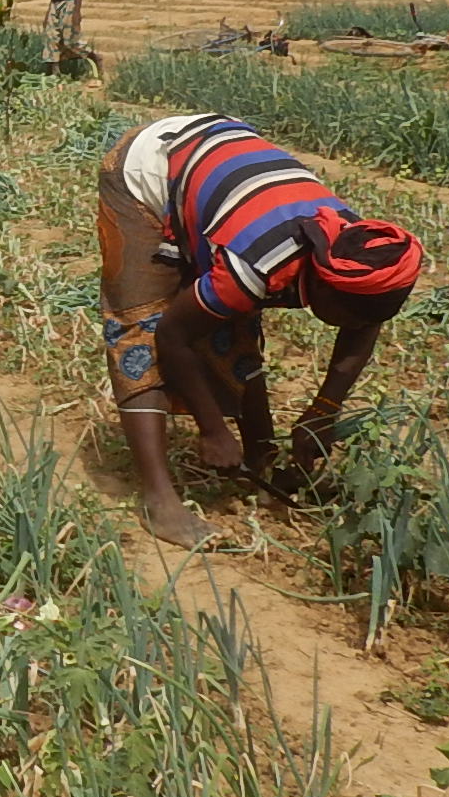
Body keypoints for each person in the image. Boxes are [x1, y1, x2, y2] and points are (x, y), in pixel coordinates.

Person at [97, 115, 423, 548]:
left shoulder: (360, 250)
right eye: (349, 318)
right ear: (323, 288)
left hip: (225, 167)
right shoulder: (258, 264)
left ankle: (259, 460)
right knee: (141, 327)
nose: (356, 329)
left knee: (233, 320)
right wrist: (212, 429)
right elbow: (174, 336)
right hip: (149, 167)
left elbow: (363, 328)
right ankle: (160, 500)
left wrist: (323, 411)